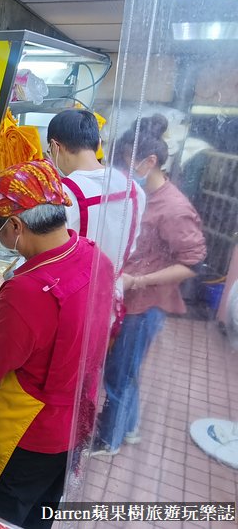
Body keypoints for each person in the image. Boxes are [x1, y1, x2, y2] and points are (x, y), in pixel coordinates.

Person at [0, 160, 114, 529]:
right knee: (41, 512)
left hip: (29, 435)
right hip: (74, 421)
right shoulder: (93, 255)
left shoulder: (28, 290)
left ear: (15, 226)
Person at [91, 115, 207, 457]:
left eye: (128, 163)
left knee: (118, 373)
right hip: (129, 298)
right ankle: (130, 426)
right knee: (127, 369)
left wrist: (137, 280)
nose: (125, 170)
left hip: (145, 304)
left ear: (150, 162)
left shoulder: (173, 207)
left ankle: (108, 440)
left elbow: (192, 263)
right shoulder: (140, 194)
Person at [48, 109, 146, 338]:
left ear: (55, 146)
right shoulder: (133, 188)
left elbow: (49, 260)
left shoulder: (63, 194)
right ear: (98, 143)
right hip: (108, 300)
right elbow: (130, 247)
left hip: (70, 307)